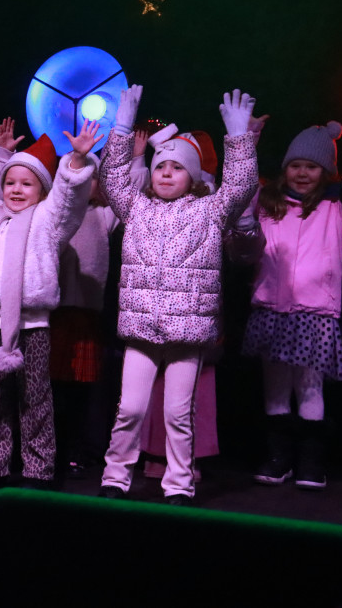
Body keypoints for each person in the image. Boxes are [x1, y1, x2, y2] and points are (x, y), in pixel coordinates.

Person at [98, 86, 260, 505]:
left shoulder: (209, 210)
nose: (166, 173)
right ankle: (115, 477)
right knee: (130, 409)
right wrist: (120, 127)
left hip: (187, 335)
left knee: (177, 414)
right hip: (142, 329)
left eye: (177, 167)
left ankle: (179, 484)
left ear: (193, 176)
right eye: (160, 166)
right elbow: (112, 176)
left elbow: (240, 186)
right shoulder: (135, 208)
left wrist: (239, 137)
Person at [235, 95, 342, 490]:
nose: (302, 173)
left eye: (312, 167)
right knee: (275, 387)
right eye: (296, 165)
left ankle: (311, 461)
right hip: (271, 308)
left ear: (326, 172)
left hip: (314, 313)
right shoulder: (269, 204)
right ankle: (278, 455)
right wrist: (246, 137)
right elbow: (241, 195)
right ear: (286, 169)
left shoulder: (338, 208)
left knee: (310, 388)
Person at [0, 125, 99, 495]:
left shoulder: (47, 222)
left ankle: (38, 468)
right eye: (11, 183)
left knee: (35, 398)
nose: (17, 190)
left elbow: (69, 200)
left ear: (42, 190)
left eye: (27, 184)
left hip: (32, 326)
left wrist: (78, 160)